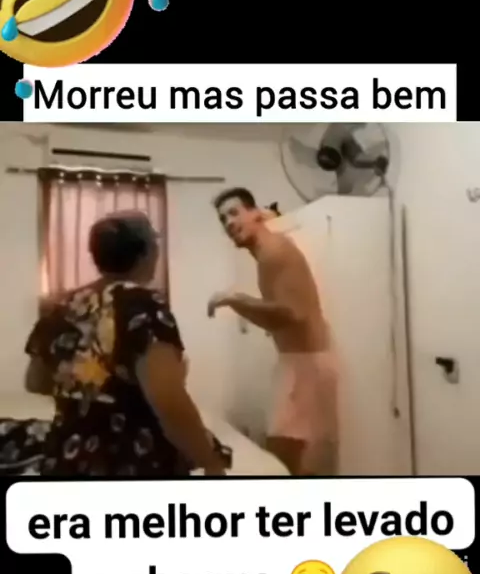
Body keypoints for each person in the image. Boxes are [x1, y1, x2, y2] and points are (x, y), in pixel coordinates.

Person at [25, 211, 225, 477]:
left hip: (67, 456)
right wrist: (211, 464)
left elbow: (35, 381)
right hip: (129, 461)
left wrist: (88, 384)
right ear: (145, 254)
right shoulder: (144, 305)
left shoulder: (60, 307)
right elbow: (168, 402)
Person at [208, 188, 338, 476]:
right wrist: (237, 303)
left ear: (255, 213)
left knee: (283, 466)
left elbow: (293, 313)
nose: (229, 223)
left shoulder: (274, 252)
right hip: (299, 363)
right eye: (223, 219)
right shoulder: (266, 252)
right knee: (289, 466)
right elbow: (277, 319)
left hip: (307, 366)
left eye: (234, 213)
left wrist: (236, 299)